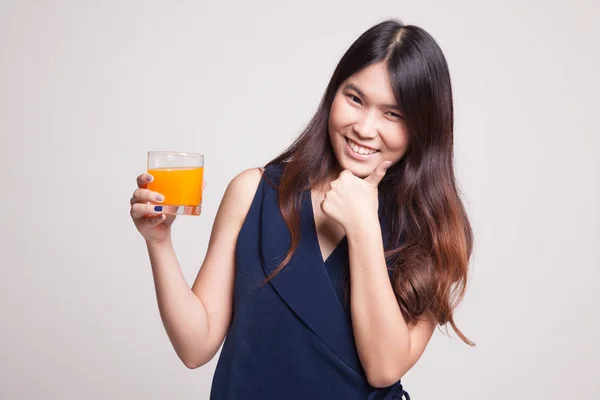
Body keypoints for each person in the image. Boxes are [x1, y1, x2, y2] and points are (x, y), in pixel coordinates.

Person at [129, 18, 474, 400]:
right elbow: (196, 347)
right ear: (333, 94)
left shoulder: (433, 230)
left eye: (393, 114)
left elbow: (384, 368)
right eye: (355, 99)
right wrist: (159, 242)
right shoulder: (254, 193)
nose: (364, 127)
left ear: (423, 128)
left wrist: (362, 227)